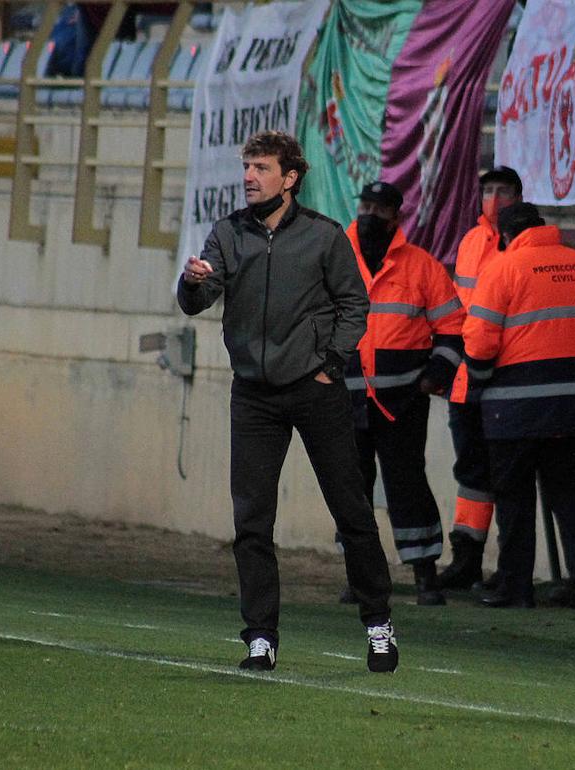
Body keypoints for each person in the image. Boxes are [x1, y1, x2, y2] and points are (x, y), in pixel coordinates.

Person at [177, 131, 398, 674]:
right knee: (252, 520)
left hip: (314, 391)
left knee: (351, 511)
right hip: (252, 395)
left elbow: (354, 303)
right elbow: (197, 301)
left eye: (261, 167)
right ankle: (260, 637)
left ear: (290, 177)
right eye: (246, 166)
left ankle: (379, 624)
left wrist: (331, 365)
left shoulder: (324, 237)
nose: (249, 176)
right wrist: (191, 283)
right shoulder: (227, 233)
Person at [462, 202, 575, 609]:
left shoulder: (503, 267)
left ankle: (516, 585)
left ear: (507, 235)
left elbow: (479, 341)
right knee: (568, 494)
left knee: (514, 498)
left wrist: (476, 380)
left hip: (515, 409)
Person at [344, 180, 465, 607]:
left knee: (407, 486)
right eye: (366, 206)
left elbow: (453, 330)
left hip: (402, 403)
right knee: (351, 490)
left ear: (398, 216)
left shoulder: (423, 267)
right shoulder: (334, 260)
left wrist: (434, 375)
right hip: (345, 402)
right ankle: (359, 578)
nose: (371, 215)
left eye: (381, 209)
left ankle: (424, 576)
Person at [437, 166, 524, 591]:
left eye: (502, 191)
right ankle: (467, 558)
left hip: (505, 375)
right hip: (466, 378)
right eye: (488, 190)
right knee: (471, 471)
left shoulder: (520, 246)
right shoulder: (472, 241)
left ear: (518, 196)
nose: (493, 199)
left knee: (506, 475)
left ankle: (508, 569)